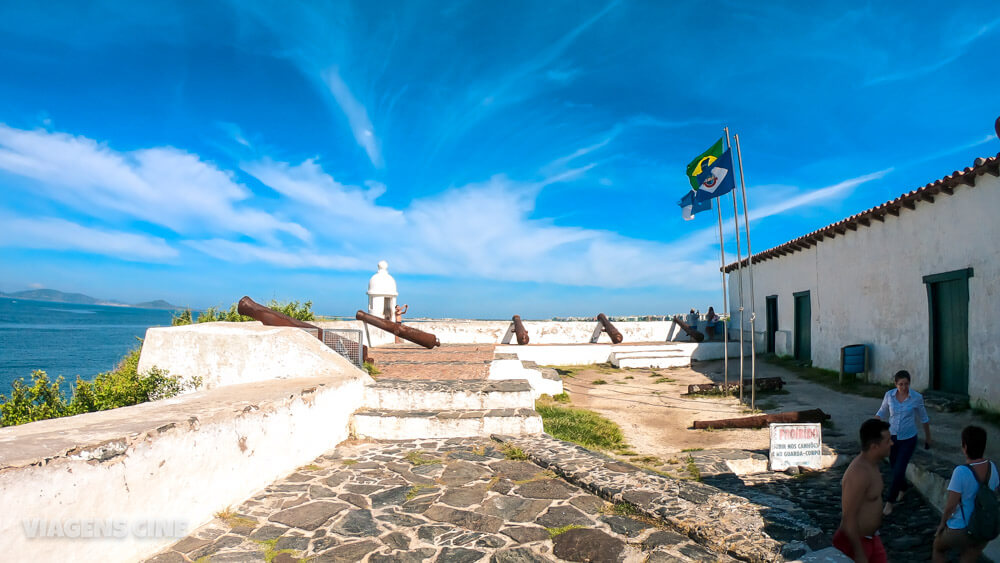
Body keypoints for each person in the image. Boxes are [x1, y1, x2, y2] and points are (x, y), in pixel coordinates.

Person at [933, 425, 999, 563]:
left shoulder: (961, 471)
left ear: (965, 446)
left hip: (962, 529)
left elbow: (951, 506)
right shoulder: (992, 467)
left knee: (938, 548)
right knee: (969, 556)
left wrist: (942, 525)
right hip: (983, 529)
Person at [874, 370, 932, 515]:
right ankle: (904, 487)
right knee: (895, 469)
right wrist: (874, 424)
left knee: (899, 470)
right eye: (901, 384)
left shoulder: (916, 398)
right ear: (895, 384)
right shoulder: (889, 395)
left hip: (909, 439)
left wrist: (928, 437)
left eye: (906, 384)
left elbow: (924, 418)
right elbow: (882, 411)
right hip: (892, 439)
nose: (904, 387)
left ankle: (889, 502)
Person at [835, 418, 892, 563]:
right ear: (874, 446)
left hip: (872, 538)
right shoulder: (859, 472)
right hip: (855, 543)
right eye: (887, 441)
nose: (892, 444)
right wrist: (859, 553)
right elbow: (848, 518)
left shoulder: (873, 465)